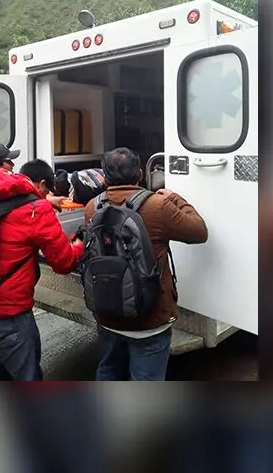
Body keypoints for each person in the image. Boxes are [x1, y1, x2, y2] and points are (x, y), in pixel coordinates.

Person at [84, 147, 208, 381]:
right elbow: (199, 231)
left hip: (107, 310)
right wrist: (173, 197)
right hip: (149, 318)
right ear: (140, 173)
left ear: (105, 177)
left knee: (108, 369)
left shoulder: (93, 206)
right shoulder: (157, 205)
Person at [0, 159, 86, 381]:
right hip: (9, 318)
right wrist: (78, 244)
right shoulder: (37, 210)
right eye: (47, 190)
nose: (46, 195)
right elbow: (64, 263)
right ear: (41, 184)